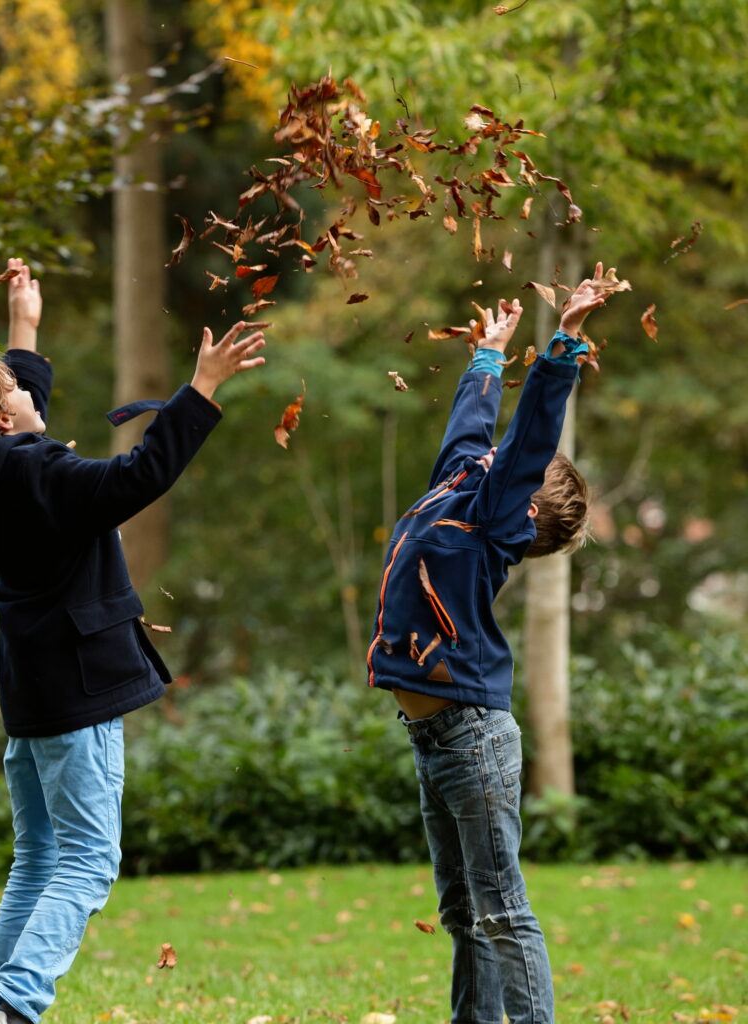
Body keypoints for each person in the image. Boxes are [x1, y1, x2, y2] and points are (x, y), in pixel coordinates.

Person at [0, 258, 266, 1024]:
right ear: (2, 421)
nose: (32, 393)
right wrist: (200, 390)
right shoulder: (43, 476)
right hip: (79, 689)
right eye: (16, 391)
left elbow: (21, 425)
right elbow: (135, 478)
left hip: (30, 690)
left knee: (36, 858)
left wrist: (23, 328)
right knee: (89, 863)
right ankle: (16, 1007)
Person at [366, 264, 610, 1024]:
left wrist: (564, 338)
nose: (490, 456)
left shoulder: (495, 519)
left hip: (470, 738)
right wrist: (487, 356)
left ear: (526, 499)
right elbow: (469, 430)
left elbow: (530, 429)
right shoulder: (458, 486)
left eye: (510, 466)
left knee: (501, 909)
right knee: (464, 911)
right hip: (435, 736)